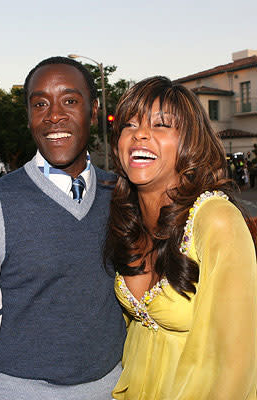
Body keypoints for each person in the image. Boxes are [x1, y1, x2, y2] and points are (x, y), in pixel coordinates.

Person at [0, 56, 126, 400]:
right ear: (29, 117)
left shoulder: (123, 197)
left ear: (93, 111)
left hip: (114, 388)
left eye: (69, 100)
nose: (54, 115)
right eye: (40, 104)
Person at [104, 76, 257, 399]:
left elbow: (237, 362)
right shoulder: (125, 218)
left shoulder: (215, 218)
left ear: (190, 141)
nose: (140, 133)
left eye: (161, 125)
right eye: (129, 124)